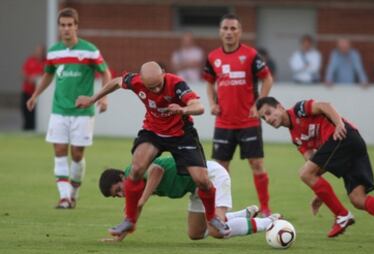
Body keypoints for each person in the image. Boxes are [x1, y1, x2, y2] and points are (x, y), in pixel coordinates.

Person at [76, 61, 229, 238]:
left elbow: (199, 107)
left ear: (163, 73)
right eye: (151, 87)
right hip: (153, 131)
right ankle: (129, 219)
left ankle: (212, 217)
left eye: (158, 86)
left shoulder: (177, 84)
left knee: (202, 180)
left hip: (181, 133)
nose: (155, 91)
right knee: (136, 169)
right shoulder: (136, 81)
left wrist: (183, 109)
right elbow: (116, 82)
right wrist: (93, 98)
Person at [256, 97, 374, 242]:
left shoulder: (299, 110)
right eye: (264, 118)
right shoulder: (295, 137)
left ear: (280, 107)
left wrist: (339, 124)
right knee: (358, 199)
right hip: (350, 147)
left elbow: (325, 106)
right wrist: (321, 192)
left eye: (269, 113)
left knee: (305, 173)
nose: (268, 119)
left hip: (343, 137)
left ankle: (342, 215)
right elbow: (313, 165)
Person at [26, 8, 111, 209]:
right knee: (59, 150)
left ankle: (73, 194)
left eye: (69, 25)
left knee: (78, 155)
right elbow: (48, 74)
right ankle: (64, 197)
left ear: (76, 27)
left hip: (82, 112)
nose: (66, 29)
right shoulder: (54, 51)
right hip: (59, 111)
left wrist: (104, 97)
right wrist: (35, 95)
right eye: (62, 25)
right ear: (59, 28)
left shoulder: (89, 50)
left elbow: (106, 72)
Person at [99, 156, 281, 241]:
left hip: (210, 177)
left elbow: (157, 170)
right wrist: (119, 238)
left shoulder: (133, 170)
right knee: (195, 234)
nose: (121, 195)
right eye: (117, 195)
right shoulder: (133, 189)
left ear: (123, 177)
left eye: (119, 189)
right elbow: (134, 212)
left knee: (217, 231)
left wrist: (142, 200)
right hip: (195, 190)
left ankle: (269, 223)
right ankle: (243, 213)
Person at [203, 14, 274, 216]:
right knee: (220, 168)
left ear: (240, 32)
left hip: (248, 121)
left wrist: (259, 103)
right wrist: (212, 103)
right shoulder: (213, 57)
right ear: (220, 31)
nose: (229, 32)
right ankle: (221, 209)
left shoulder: (251, 55)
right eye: (225, 28)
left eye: (233, 28)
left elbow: (267, 79)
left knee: (257, 163)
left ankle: (266, 208)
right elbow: (209, 82)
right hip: (224, 122)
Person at [21, 45, 45, 130]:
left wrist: (38, 77)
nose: (39, 53)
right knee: (26, 112)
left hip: (39, 94)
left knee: (36, 114)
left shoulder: (45, 62)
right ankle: (26, 129)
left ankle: (35, 129)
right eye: (38, 51)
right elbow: (23, 73)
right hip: (28, 91)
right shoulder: (30, 60)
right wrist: (29, 78)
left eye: (41, 51)